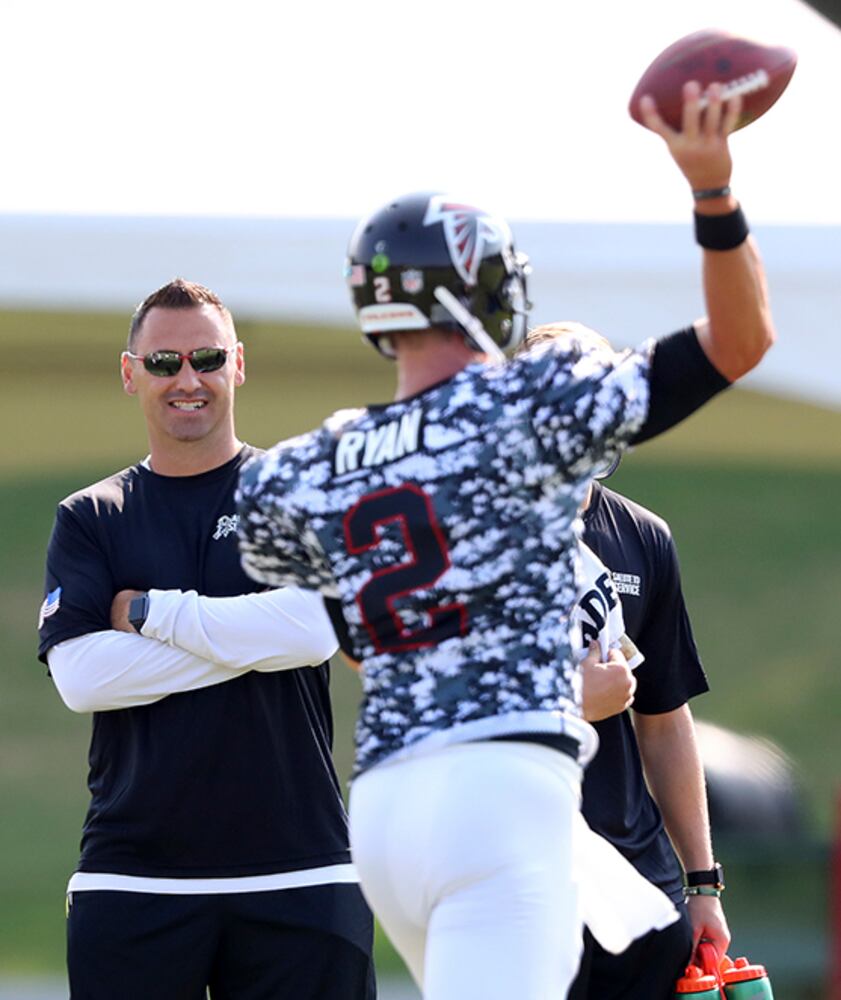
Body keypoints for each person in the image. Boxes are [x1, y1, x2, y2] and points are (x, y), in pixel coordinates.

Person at [236, 83, 775, 1000]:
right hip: (499, 788)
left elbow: (319, 588)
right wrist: (712, 191)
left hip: (387, 811)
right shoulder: (530, 402)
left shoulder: (314, 460)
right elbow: (738, 340)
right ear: (486, 285)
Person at [37, 278, 375, 1000]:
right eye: (163, 363)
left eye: (207, 359)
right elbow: (83, 679)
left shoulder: (293, 492)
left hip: (301, 871)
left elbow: (315, 631)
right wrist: (251, 635)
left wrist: (151, 613)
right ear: (130, 374)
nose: (187, 379)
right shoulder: (91, 517)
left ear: (238, 365)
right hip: (132, 879)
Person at [525, 322, 729, 1000]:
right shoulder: (473, 532)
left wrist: (702, 884)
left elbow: (665, 720)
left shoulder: (643, 537)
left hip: (639, 883)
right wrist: (568, 702)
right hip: (517, 872)